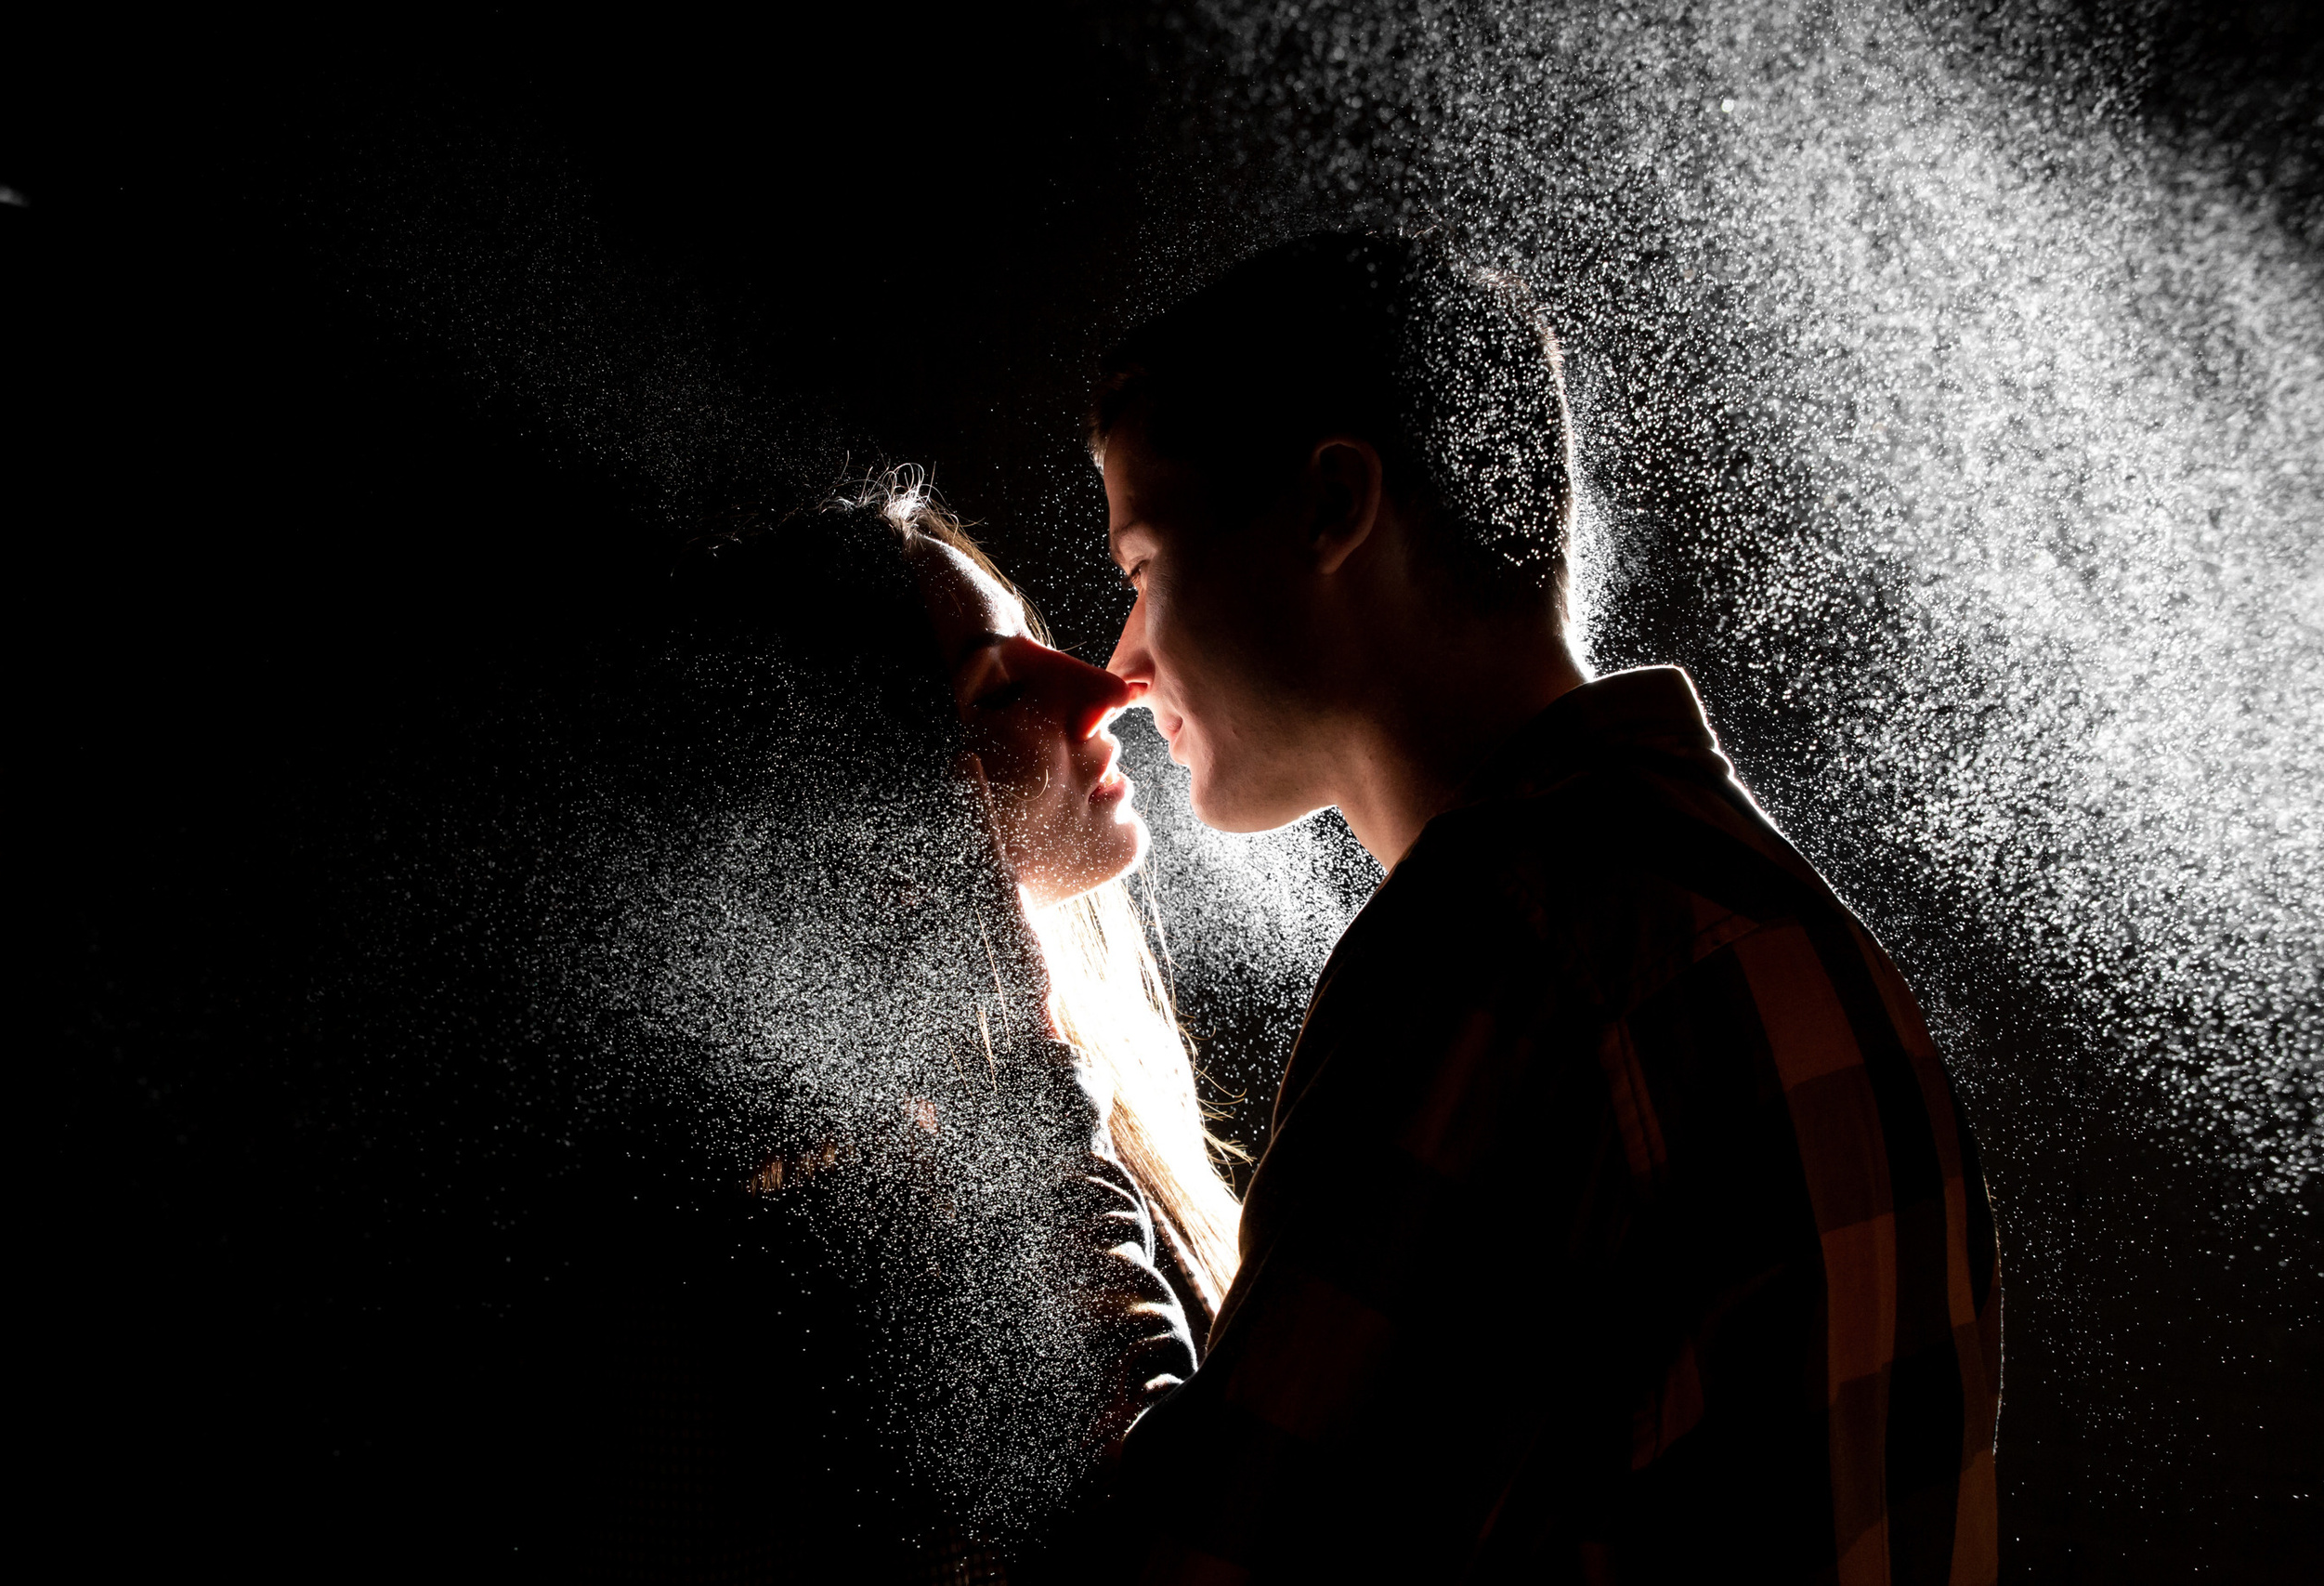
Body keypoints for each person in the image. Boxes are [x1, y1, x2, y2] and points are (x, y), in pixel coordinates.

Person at [1091, 232, 2002, 1583]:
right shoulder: (1786, 923)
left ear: (1330, 506)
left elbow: (1208, 1562)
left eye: (1145, 565)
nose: (1125, 659)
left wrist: (1050, 1128)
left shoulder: (1499, 953)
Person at [567, 478, 1244, 1580]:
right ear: (871, 808)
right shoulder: (768, 1261)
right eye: (991, 688)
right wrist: (1021, 1103)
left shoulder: (1052, 1103)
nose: (1102, 686)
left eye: (1040, 645)